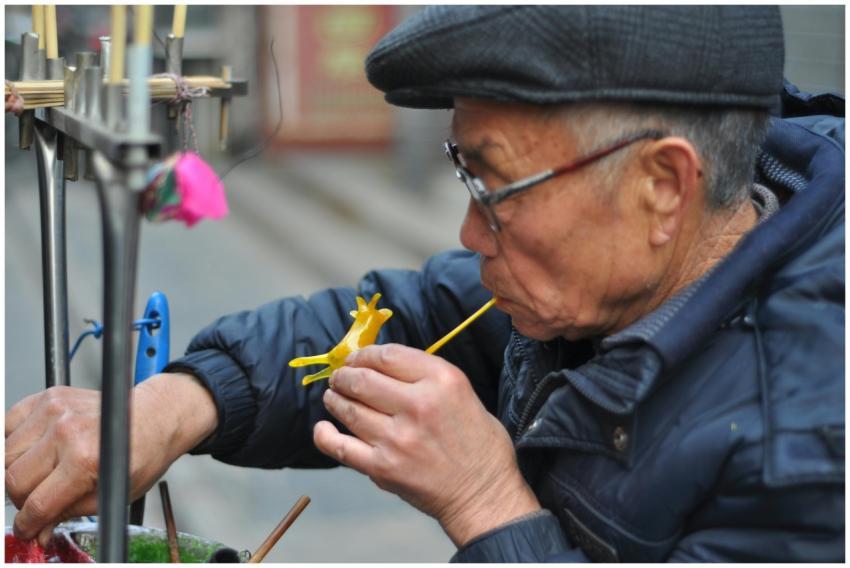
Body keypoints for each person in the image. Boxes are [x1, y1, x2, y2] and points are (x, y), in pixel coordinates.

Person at [5, 6, 844, 562]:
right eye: (462, 176)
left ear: (662, 187)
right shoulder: (588, 278)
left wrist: (489, 504)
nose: (468, 234)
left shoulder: (807, 453)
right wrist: (180, 402)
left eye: (495, 187)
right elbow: (405, 314)